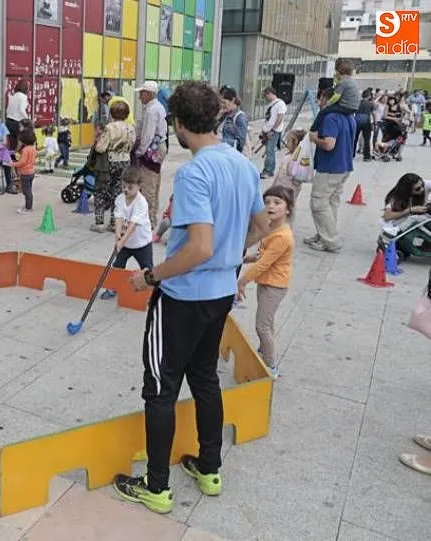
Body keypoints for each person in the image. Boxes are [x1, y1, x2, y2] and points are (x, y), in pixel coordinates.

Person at [114, 81, 269, 516]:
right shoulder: (242, 164)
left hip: (181, 298)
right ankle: (209, 467)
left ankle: (157, 486)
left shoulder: (196, 172)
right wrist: (231, 254)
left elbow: (198, 246)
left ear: (179, 124)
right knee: (204, 379)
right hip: (220, 295)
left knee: (160, 389)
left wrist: (151, 276)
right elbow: (262, 224)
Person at [237, 185, 295, 378]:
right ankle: (264, 350)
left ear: (288, 209)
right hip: (267, 282)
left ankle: (271, 366)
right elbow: (263, 256)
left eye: (277, 203)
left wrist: (243, 281)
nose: (271, 206)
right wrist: (250, 258)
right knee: (267, 322)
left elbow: (265, 264)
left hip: (274, 286)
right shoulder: (272, 228)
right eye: (267, 202)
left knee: (262, 325)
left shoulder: (283, 236)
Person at [305, 87, 356, 253]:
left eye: (320, 99)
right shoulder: (349, 117)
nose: (319, 103)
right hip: (344, 165)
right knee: (331, 203)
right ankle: (323, 235)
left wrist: (314, 138)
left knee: (319, 203)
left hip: (330, 167)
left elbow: (328, 144)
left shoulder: (331, 117)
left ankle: (330, 241)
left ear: (328, 99)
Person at [100, 166, 153, 300]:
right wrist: (118, 235)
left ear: (139, 186)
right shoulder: (120, 199)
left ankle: (152, 292)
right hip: (126, 243)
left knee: (147, 268)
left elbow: (132, 225)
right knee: (117, 266)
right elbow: (118, 217)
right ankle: (113, 287)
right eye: (123, 186)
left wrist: (121, 242)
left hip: (142, 243)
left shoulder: (141, 203)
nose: (125, 190)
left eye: (130, 187)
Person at [93, 100, 135, 232]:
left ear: (112, 113)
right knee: (118, 192)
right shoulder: (131, 128)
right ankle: (114, 221)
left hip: (109, 162)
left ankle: (99, 222)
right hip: (125, 162)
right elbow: (132, 145)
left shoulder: (109, 128)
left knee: (101, 190)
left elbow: (100, 148)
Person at [133, 81, 168, 226]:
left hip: (151, 150)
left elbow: (147, 134)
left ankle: (148, 219)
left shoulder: (151, 110)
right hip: (159, 147)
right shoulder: (158, 107)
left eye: (142, 93)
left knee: (148, 184)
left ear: (149, 94)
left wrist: (140, 152)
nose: (140, 96)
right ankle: (152, 215)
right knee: (154, 182)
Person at [310, 58, 360, 134]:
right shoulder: (352, 81)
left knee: (323, 112)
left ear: (338, 71)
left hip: (345, 106)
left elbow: (336, 96)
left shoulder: (343, 82)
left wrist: (328, 104)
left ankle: (313, 129)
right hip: (354, 108)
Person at [271, 128, 308, 225]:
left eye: (288, 141)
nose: (286, 143)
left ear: (295, 143)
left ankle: (285, 226)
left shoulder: (296, 159)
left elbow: (299, 176)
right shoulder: (291, 156)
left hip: (288, 188)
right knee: (283, 206)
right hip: (283, 187)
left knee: (286, 208)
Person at [380, 173, 430, 240]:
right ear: (407, 190)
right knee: (408, 220)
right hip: (407, 218)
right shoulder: (395, 197)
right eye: (417, 189)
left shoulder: (423, 185)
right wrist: (410, 210)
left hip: (424, 216)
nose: (422, 189)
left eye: (422, 185)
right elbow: (387, 216)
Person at [259, 87, 287, 179]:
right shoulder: (271, 104)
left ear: (270, 93)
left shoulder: (280, 104)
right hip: (267, 131)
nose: (265, 97)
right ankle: (270, 170)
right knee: (269, 151)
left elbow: (280, 118)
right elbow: (268, 119)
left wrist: (273, 130)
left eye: (265, 95)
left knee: (269, 151)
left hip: (273, 132)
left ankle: (267, 171)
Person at [13, 128, 37, 214]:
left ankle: (28, 208)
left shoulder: (25, 149)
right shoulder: (33, 148)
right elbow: (33, 160)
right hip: (31, 172)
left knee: (26, 191)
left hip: (25, 173)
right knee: (28, 190)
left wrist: (13, 164)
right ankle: (28, 205)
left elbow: (22, 162)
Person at [218, 87, 248, 153]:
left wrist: (219, 141)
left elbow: (240, 143)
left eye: (224, 102)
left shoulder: (240, 117)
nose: (222, 105)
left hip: (231, 156)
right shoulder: (224, 115)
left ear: (233, 100)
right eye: (221, 102)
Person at [6, 80, 30, 149]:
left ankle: (12, 157)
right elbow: (21, 110)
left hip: (8, 121)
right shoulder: (23, 97)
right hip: (17, 122)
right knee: (21, 142)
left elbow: (8, 110)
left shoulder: (12, 96)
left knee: (12, 143)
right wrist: (28, 119)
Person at [353, 89, 375, 161]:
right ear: (369, 96)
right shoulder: (370, 104)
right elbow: (373, 114)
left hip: (356, 121)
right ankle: (366, 156)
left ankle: (351, 153)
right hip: (366, 122)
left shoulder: (357, 103)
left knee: (354, 138)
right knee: (366, 139)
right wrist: (375, 123)